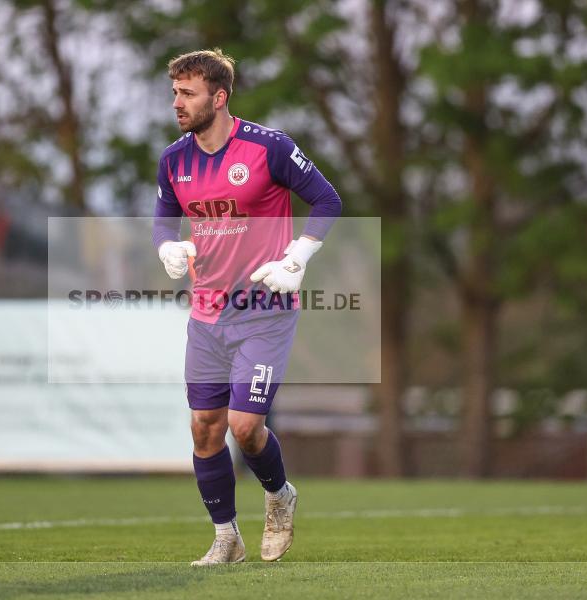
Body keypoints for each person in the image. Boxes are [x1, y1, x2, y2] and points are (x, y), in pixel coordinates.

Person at [152, 49, 342, 564]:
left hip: (265, 309)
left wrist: (297, 257)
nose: (177, 103)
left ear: (219, 97)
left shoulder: (269, 148)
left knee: (244, 426)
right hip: (207, 315)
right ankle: (226, 538)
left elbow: (328, 200)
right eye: (175, 92)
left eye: (187, 93)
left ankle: (280, 497)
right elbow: (165, 218)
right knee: (204, 427)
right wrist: (167, 246)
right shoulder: (174, 159)